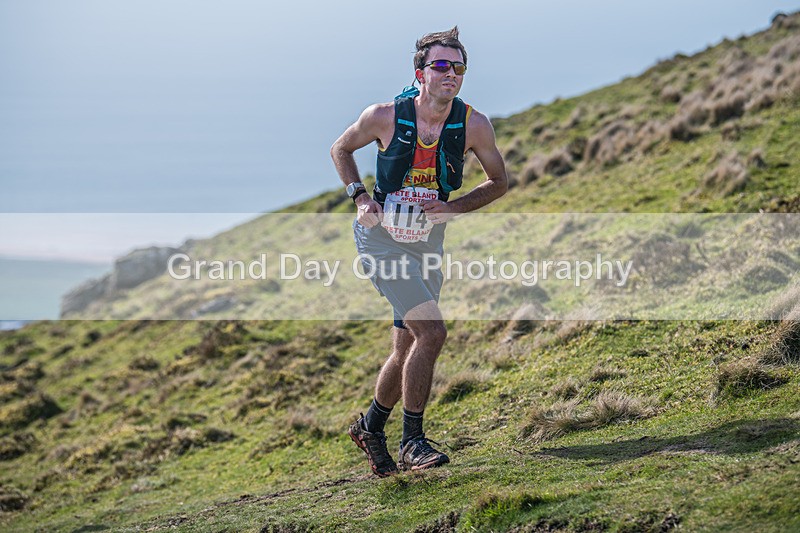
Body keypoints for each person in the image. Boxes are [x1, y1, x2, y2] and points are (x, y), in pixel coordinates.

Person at [330, 26, 507, 476]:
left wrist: (452, 208)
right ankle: (413, 442)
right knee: (432, 333)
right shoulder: (384, 115)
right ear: (420, 72)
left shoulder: (473, 124)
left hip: (428, 242)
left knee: (406, 345)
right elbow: (341, 148)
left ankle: (370, 427)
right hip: (381, 240)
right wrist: (361, 197)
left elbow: (498, 182)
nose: (451, 74)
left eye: (459, 67)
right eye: (441, 65)